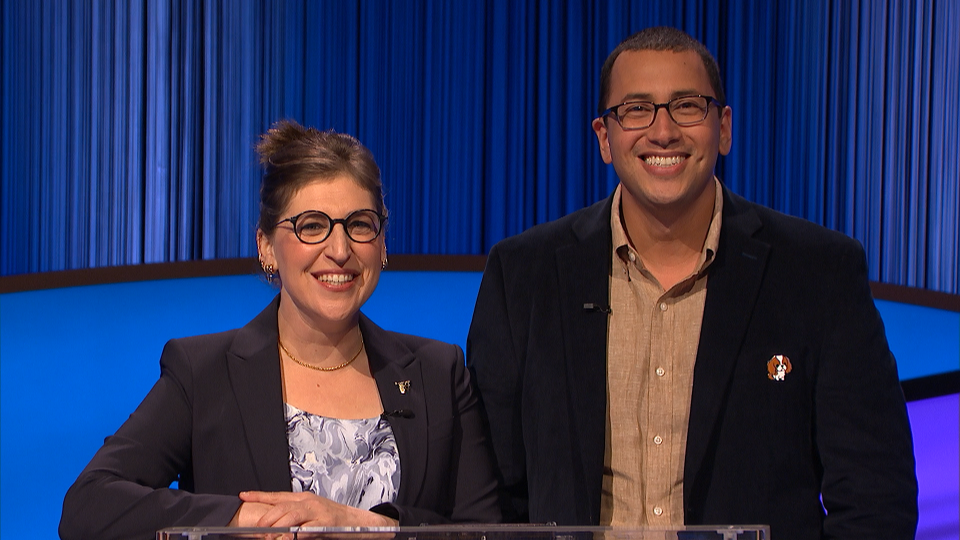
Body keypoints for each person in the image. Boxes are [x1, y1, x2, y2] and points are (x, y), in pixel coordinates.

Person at [467, 27, 917, 540]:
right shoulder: (523, 274)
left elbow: (875, 498)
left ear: (723, 128)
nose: (663, 132)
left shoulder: (819, 272)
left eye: (687, 106)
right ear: (604, 138)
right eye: (636, 109)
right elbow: (490, 495)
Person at [60, 120, 501, 540]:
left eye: (359, 225)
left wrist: (368, 527)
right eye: (312, 226)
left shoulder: (439, 374)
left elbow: (488, 533)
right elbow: (89, 506)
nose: (340, 250)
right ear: (267, 246)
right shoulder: (204, 373)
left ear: (382, 243)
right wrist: (242, 518)